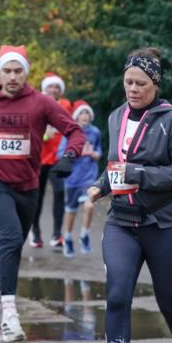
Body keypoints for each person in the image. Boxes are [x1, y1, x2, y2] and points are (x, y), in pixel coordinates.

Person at [87, 47, 172, 343]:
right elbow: (116, 165)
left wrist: (141, 174)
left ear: (155, 84)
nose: (133, 89)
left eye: (141, 83)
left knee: (171, 302)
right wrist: (100, 185)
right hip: (122, 222)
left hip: (165, 223)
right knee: (117, 295)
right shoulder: (116, 117)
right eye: (128, 82)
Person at [0, 45, 85, 342]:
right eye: (7, 71)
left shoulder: (41, 103)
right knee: (12, 237)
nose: (12, 77)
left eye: (18, 71)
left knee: (12, 246)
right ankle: (10, 316)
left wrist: (69, 156)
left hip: (28, 186)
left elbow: (75, 131)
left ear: (26, 73)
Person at [30, 72, 72, 248]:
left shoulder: (65, 105)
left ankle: (56, 234)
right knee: (36, 195)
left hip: (57, 158)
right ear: (44, 89)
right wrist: (45, 135)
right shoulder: (36, 103)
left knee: (60, 192)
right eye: (50, 87)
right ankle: (35, 233)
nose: (53, 90)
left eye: (57, 87)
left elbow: (72, 128)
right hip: (39, 157)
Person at [57, 100, 102, 257]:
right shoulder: (70, 132)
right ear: (76, 117)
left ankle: (84, 235)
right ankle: (68, 238)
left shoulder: (95, 132)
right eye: (81, 113)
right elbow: (60, 154)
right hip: (72, 178)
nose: (85, 116)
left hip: (89, 176)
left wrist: (96, 154)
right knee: (71, 211)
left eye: (87, 113)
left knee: (89, 205)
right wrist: (76, 153)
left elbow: (99, 151)